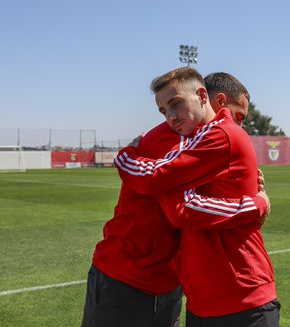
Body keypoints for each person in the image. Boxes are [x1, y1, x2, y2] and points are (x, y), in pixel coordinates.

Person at [81, 69, 270, 327]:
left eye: (175, 105)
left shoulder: (206, 139)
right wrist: (255, 205)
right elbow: (177, 202)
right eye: (237, 116)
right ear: (215, 101)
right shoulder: (173, 138)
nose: (236, 125)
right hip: (125, 277)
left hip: (170, 284)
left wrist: (248, 185)